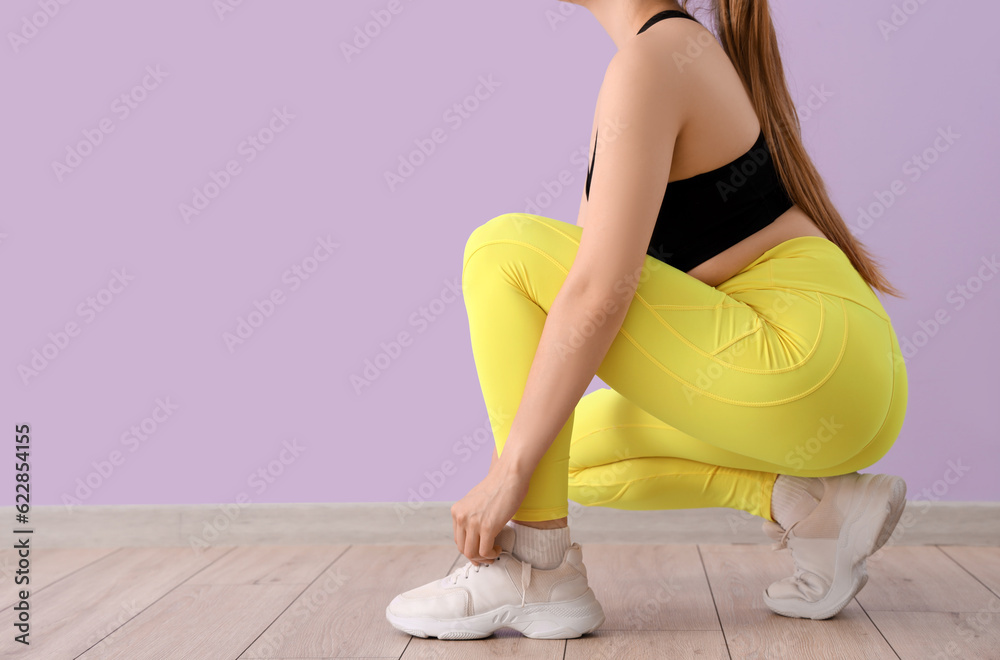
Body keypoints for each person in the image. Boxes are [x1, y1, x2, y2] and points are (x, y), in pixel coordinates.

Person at [385, 0, 908, 640]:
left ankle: (534, 571)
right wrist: (521, 463)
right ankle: (815, 505)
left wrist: (507, 475)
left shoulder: (654, 59)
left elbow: (598, 294)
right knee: (559, 450)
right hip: (837, 382)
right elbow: (584, 306)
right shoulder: (664, 56)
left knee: (501, 251)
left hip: (804, 359)